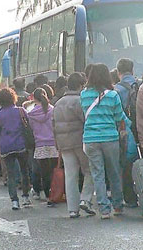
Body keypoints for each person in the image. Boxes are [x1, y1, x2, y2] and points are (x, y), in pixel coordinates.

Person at [81, 63, 126, 219]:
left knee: (97, 174)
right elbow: (119, 117)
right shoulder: (113, 95)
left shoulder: (84, 95)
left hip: (91, 139)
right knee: (114, 172)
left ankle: (104, 209)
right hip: (110, 138)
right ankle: (118, 205)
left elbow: (83, 113)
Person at [54, 72, 95, 218]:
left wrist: (57, 144)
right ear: (80, 85)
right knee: (90, 170)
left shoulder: (58, 103)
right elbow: (86, 120)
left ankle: (72, 209)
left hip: (64, 144)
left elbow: (54, 126)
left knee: (70, 175)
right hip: (80, 141)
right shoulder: (79, 101)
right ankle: (85, 198)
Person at [0, 88, 32, 210]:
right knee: (24, 171)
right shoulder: (21, 111)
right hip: (21, 145)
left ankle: (14, 201)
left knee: (10, 174)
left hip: (6, 147)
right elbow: (28, 126)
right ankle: (25, 197)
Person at [114, 58, 139, 208]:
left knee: (125, 163)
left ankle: (129, 198)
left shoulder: (116, 90)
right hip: (142, 127)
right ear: (133, 70)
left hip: (125, 129)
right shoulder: (141, 85)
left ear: (118, 72)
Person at [28, 88, 59, 207]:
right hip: (53, 144)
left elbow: (31, 129)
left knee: (45, 172)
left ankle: (47, 195)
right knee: (55, 171)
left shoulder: (31, 114)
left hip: (40, 145)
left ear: (34, 98)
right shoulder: (52, 110)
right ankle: (56, 193)